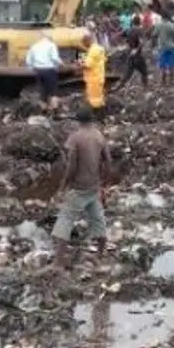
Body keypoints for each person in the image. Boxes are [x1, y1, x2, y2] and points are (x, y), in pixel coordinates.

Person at [51, 106, 113, 266]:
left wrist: (63, 185)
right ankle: (100, 253)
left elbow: (71, 166)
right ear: (91, 120)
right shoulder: (99, 136)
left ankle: (58, 261)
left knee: (65, 219)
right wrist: (104, 183)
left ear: (78, 121)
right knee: (97, 218)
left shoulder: (76, 138)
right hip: (93, 187)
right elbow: (108, 162)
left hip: (79, 188)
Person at [25, 31, 62, 112]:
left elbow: (28, 60)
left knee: (42, 90)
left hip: (38, 70)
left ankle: (44, 109)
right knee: (53, 91)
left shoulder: (34, 46)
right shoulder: (51, 45)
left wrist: (32, 68)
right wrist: (61, 64)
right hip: (49, 70)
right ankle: (55, 111)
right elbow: (55, 58)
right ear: (49, 37)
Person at [79, 33, 106, 121]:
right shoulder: (100, 48)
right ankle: (102, 116)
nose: (84, 45)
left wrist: (80, 64)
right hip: (99, 76)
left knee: (94, 99)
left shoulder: (92, 51)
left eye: (84, 43)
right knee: (99, 97)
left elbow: (87, 65)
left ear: (88, 41)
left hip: (93, 78)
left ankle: (97, 117)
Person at [121, 16, 148, 89]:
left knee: (128, 74)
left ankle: (119, 87)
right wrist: (136, 49)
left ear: (133, 22)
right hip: (137, 54)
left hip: (130, 53)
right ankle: (145, 88)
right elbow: (141, 42)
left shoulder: (129, 29)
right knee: (144, 72)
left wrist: (128, 46)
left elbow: (123, 36)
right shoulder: (140, 30)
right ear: (140, 22)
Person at [153, 13, 174, 86]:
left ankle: (163, 82)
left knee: (163, 65)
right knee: (171, 65)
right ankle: (171, 81)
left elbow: (154, 34)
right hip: (171, 46)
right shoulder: (172, 25)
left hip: (162, 47)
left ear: (162, 17)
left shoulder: (158, 25)